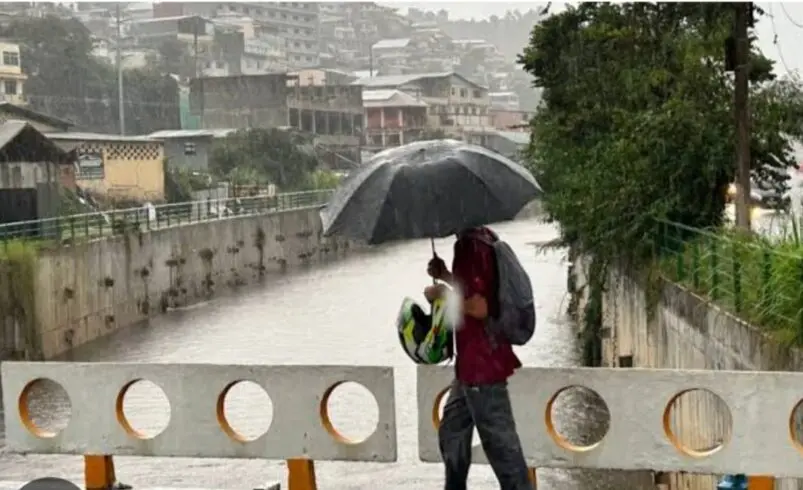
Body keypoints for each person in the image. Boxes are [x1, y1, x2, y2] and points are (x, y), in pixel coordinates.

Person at [424, 226, 533, 490]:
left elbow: (480, 307)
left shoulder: (469, 247)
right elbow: (479, 291)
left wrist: (443, 296)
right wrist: (447, 276)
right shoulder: (484, 237)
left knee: (502, 450)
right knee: (452, 431)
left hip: (482, 366)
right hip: (471, 367)